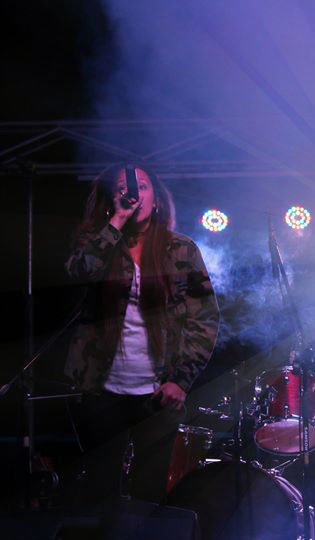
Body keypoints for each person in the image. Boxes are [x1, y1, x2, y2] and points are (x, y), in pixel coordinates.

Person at [64, 163, 219, 502]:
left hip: (157, 392)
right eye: (124, 188)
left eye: (142, 187)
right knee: (99, 489)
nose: (134, 194)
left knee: (150, 491)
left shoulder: (181, 250)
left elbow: (204, 319)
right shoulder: (97, 243)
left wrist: (181, 380)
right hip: (100, 389)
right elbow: (79, 273)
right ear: (112, 198)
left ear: (156, 199)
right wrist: (116, 222)